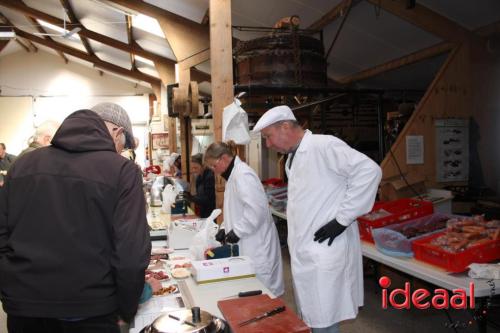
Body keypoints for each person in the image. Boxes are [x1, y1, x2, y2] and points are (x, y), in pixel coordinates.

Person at [0, 102, 151, 333]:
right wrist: (127, 308)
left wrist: (10, 288)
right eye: (124, 146)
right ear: (117, 133)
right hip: (91, 310)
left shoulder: (22, 165)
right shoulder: (122, 170)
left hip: (25, 308)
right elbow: (130, 253)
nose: (121, 152)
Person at [252, 105, 382, 333]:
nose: (268, 144)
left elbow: (369, 171)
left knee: (324, 319)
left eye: (268, 137)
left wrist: (342, 219)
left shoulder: (324, 145)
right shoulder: (292, 157)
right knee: (315, 317)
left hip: (325, 250)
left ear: (285, 127)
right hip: (307, 250)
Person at [204, 141, 284, 297]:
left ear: (224, 158)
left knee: (264, 294)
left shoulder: (243, 175)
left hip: (257, 244)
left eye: (214, 166)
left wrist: (238, 231)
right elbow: (235, 210)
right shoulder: (233, 176)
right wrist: (224, 228)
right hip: (246, 242)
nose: (214, 171)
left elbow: (256, 211)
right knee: (250, 291)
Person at [186, 153, 216, 218]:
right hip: (203, 213)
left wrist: (191, 198)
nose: (193, 170)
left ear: (204, 165)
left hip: (211, 215)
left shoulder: (210, 177)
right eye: (192, 168)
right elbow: (199, 196)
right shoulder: (199, 177)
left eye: (196, 168)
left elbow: (209, 200)